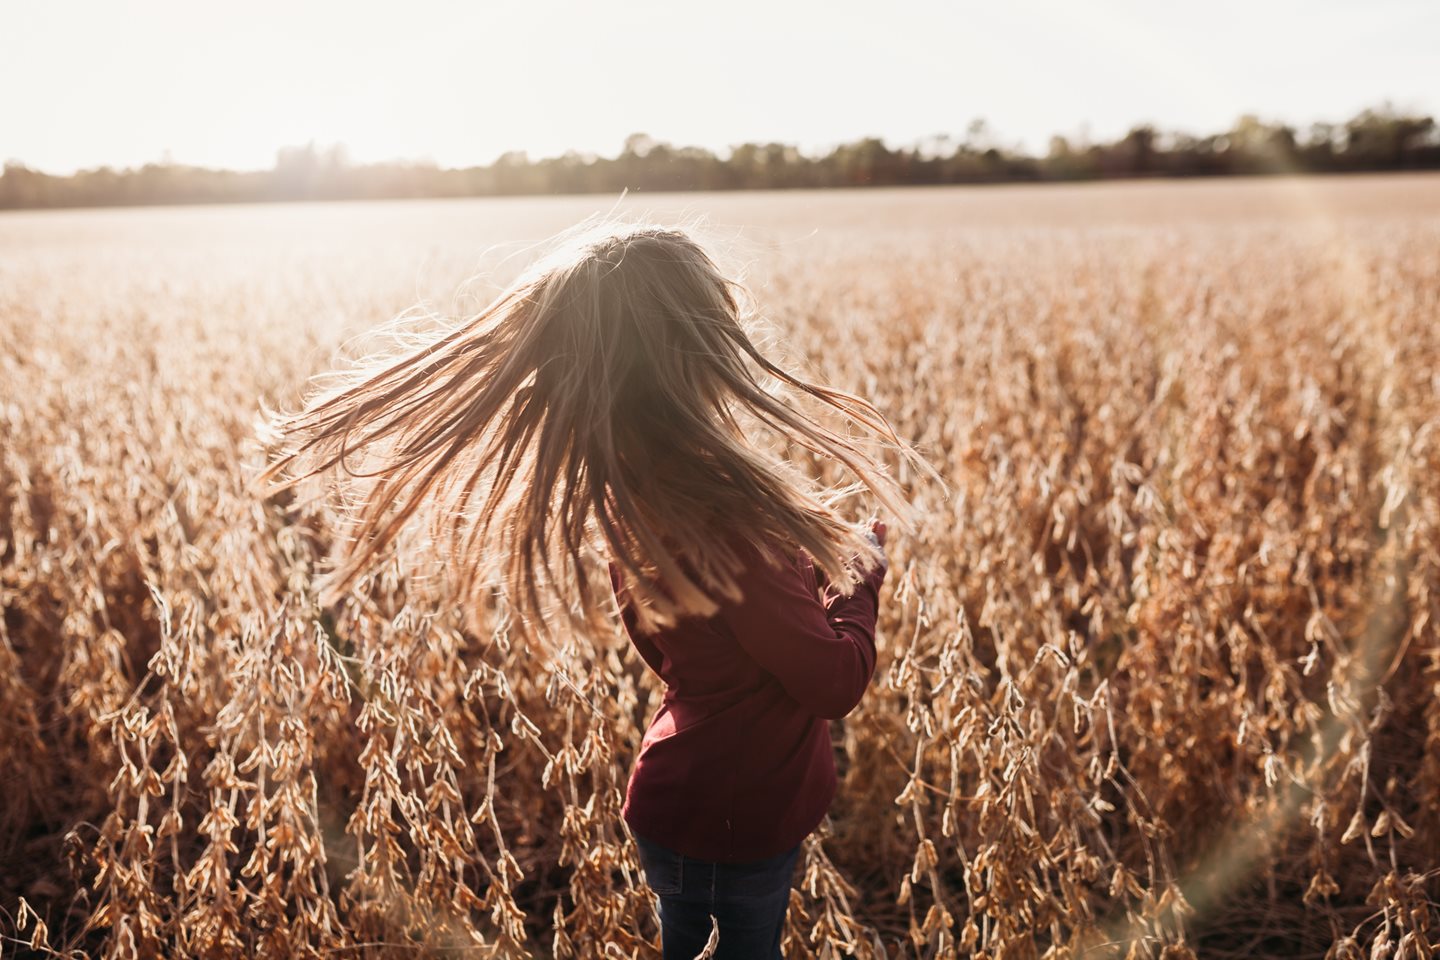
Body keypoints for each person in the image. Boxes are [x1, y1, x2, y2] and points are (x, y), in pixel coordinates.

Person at [252, 215, 932, 958]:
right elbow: (833, 683)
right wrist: (860, 576)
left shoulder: (639, 492)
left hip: (687, 807)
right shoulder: (725, 524)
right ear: (699, 354)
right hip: (738, 823)